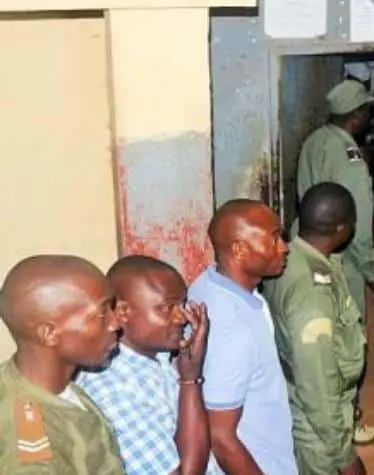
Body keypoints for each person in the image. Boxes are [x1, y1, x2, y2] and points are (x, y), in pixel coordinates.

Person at [295, 80, 374, 446]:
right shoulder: (350, 157)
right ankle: (347, 424)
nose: (369, 116)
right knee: (346, 342)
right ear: (357, 115)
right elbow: (359, 228)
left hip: (310, 248)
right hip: (341, 258)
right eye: (367, 110)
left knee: (315, 337)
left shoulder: (314, 141)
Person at [265, 183, 369, 475]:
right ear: (342, 228)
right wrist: (344, 455)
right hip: (317, 430)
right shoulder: (313, 295)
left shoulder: (292, 257)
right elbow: (317, 385)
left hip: (310, 404)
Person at [188, 199, 297, 475]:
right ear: (239, 249)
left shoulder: (209, 283)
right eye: (273, 238)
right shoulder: (232, 328)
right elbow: (221, 438)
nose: (284, 246)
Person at [77, 256, 213, 475]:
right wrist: (190, 380)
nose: (182, 318)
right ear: (122, 313)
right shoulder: (113, 388)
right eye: (167, 307)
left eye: (182, 304)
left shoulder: (158, 358)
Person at [0, 255, 125, 474]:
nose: (117, 322)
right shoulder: (32, 452)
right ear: (49, 334)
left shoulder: (52, 386)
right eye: (103, 313)